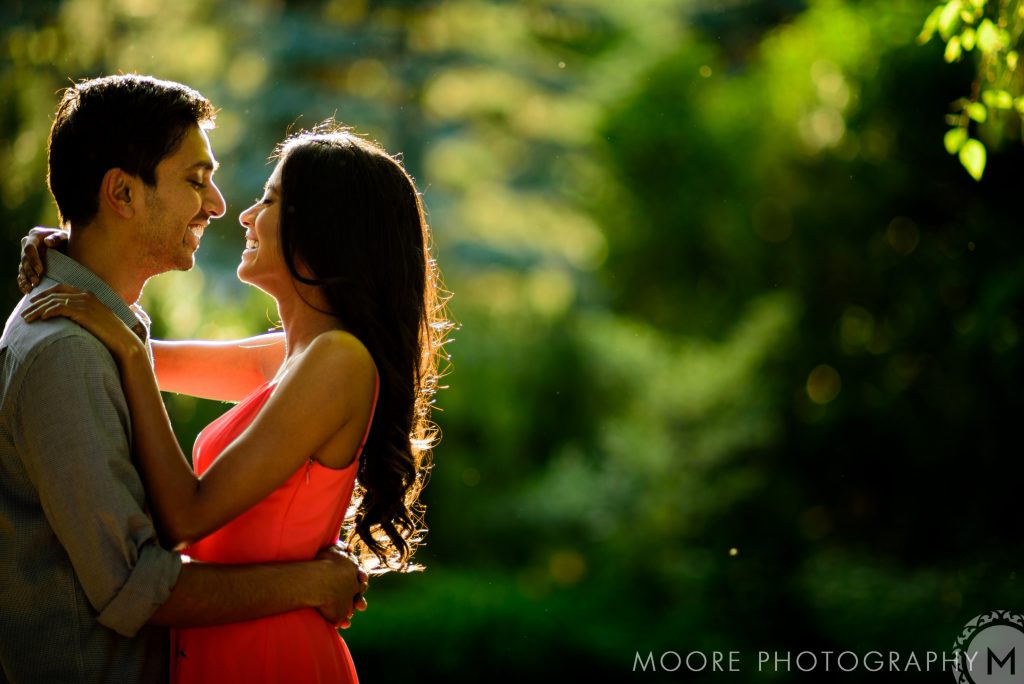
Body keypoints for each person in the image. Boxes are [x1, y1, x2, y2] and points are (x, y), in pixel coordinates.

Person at [17, 116, 447, 680]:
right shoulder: (294, 356)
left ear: (320, 227)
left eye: (268, 201)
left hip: (271, 658)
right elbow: (142, 348)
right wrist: (70, 255)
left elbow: (186, 517)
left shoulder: (337, 361)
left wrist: (123, 348)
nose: (243, 214)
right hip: (222, 654)